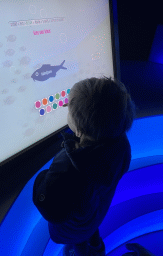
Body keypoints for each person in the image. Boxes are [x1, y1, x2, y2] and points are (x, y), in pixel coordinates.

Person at [32, 77, 154, 256]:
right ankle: (97, 247)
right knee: (89, 226)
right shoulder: (122, 145)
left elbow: (51, 210)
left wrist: (43, 178)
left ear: (79, 129)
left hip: (72, 227)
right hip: (96, 212)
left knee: (79, 238)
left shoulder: (68, 165)